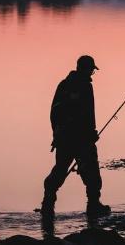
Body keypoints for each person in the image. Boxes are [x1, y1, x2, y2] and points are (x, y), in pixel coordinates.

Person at [41, 55, 111, 218]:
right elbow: (88, 114)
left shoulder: (63, 85)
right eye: (92, 70)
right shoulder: (85, 87)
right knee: (91, 173)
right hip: (82, 140)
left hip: (64, 139)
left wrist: (57, 134)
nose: (92, 73)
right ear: (86, 69)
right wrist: (91, 133)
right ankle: (93, 206)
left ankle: (47, 205)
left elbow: (54, 113)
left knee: (59, 170)